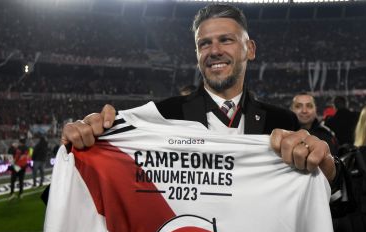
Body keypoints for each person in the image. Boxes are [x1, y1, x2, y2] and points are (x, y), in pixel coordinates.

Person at [58, 4, 339, 185]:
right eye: (204, 44)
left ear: (250, 49)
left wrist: (325, 164)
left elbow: (330, 198)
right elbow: (80, 183)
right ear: (197, 55)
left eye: (226, 40)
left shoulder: (282, 120)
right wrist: (89, 140)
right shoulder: (161, 115)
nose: (214, 50)